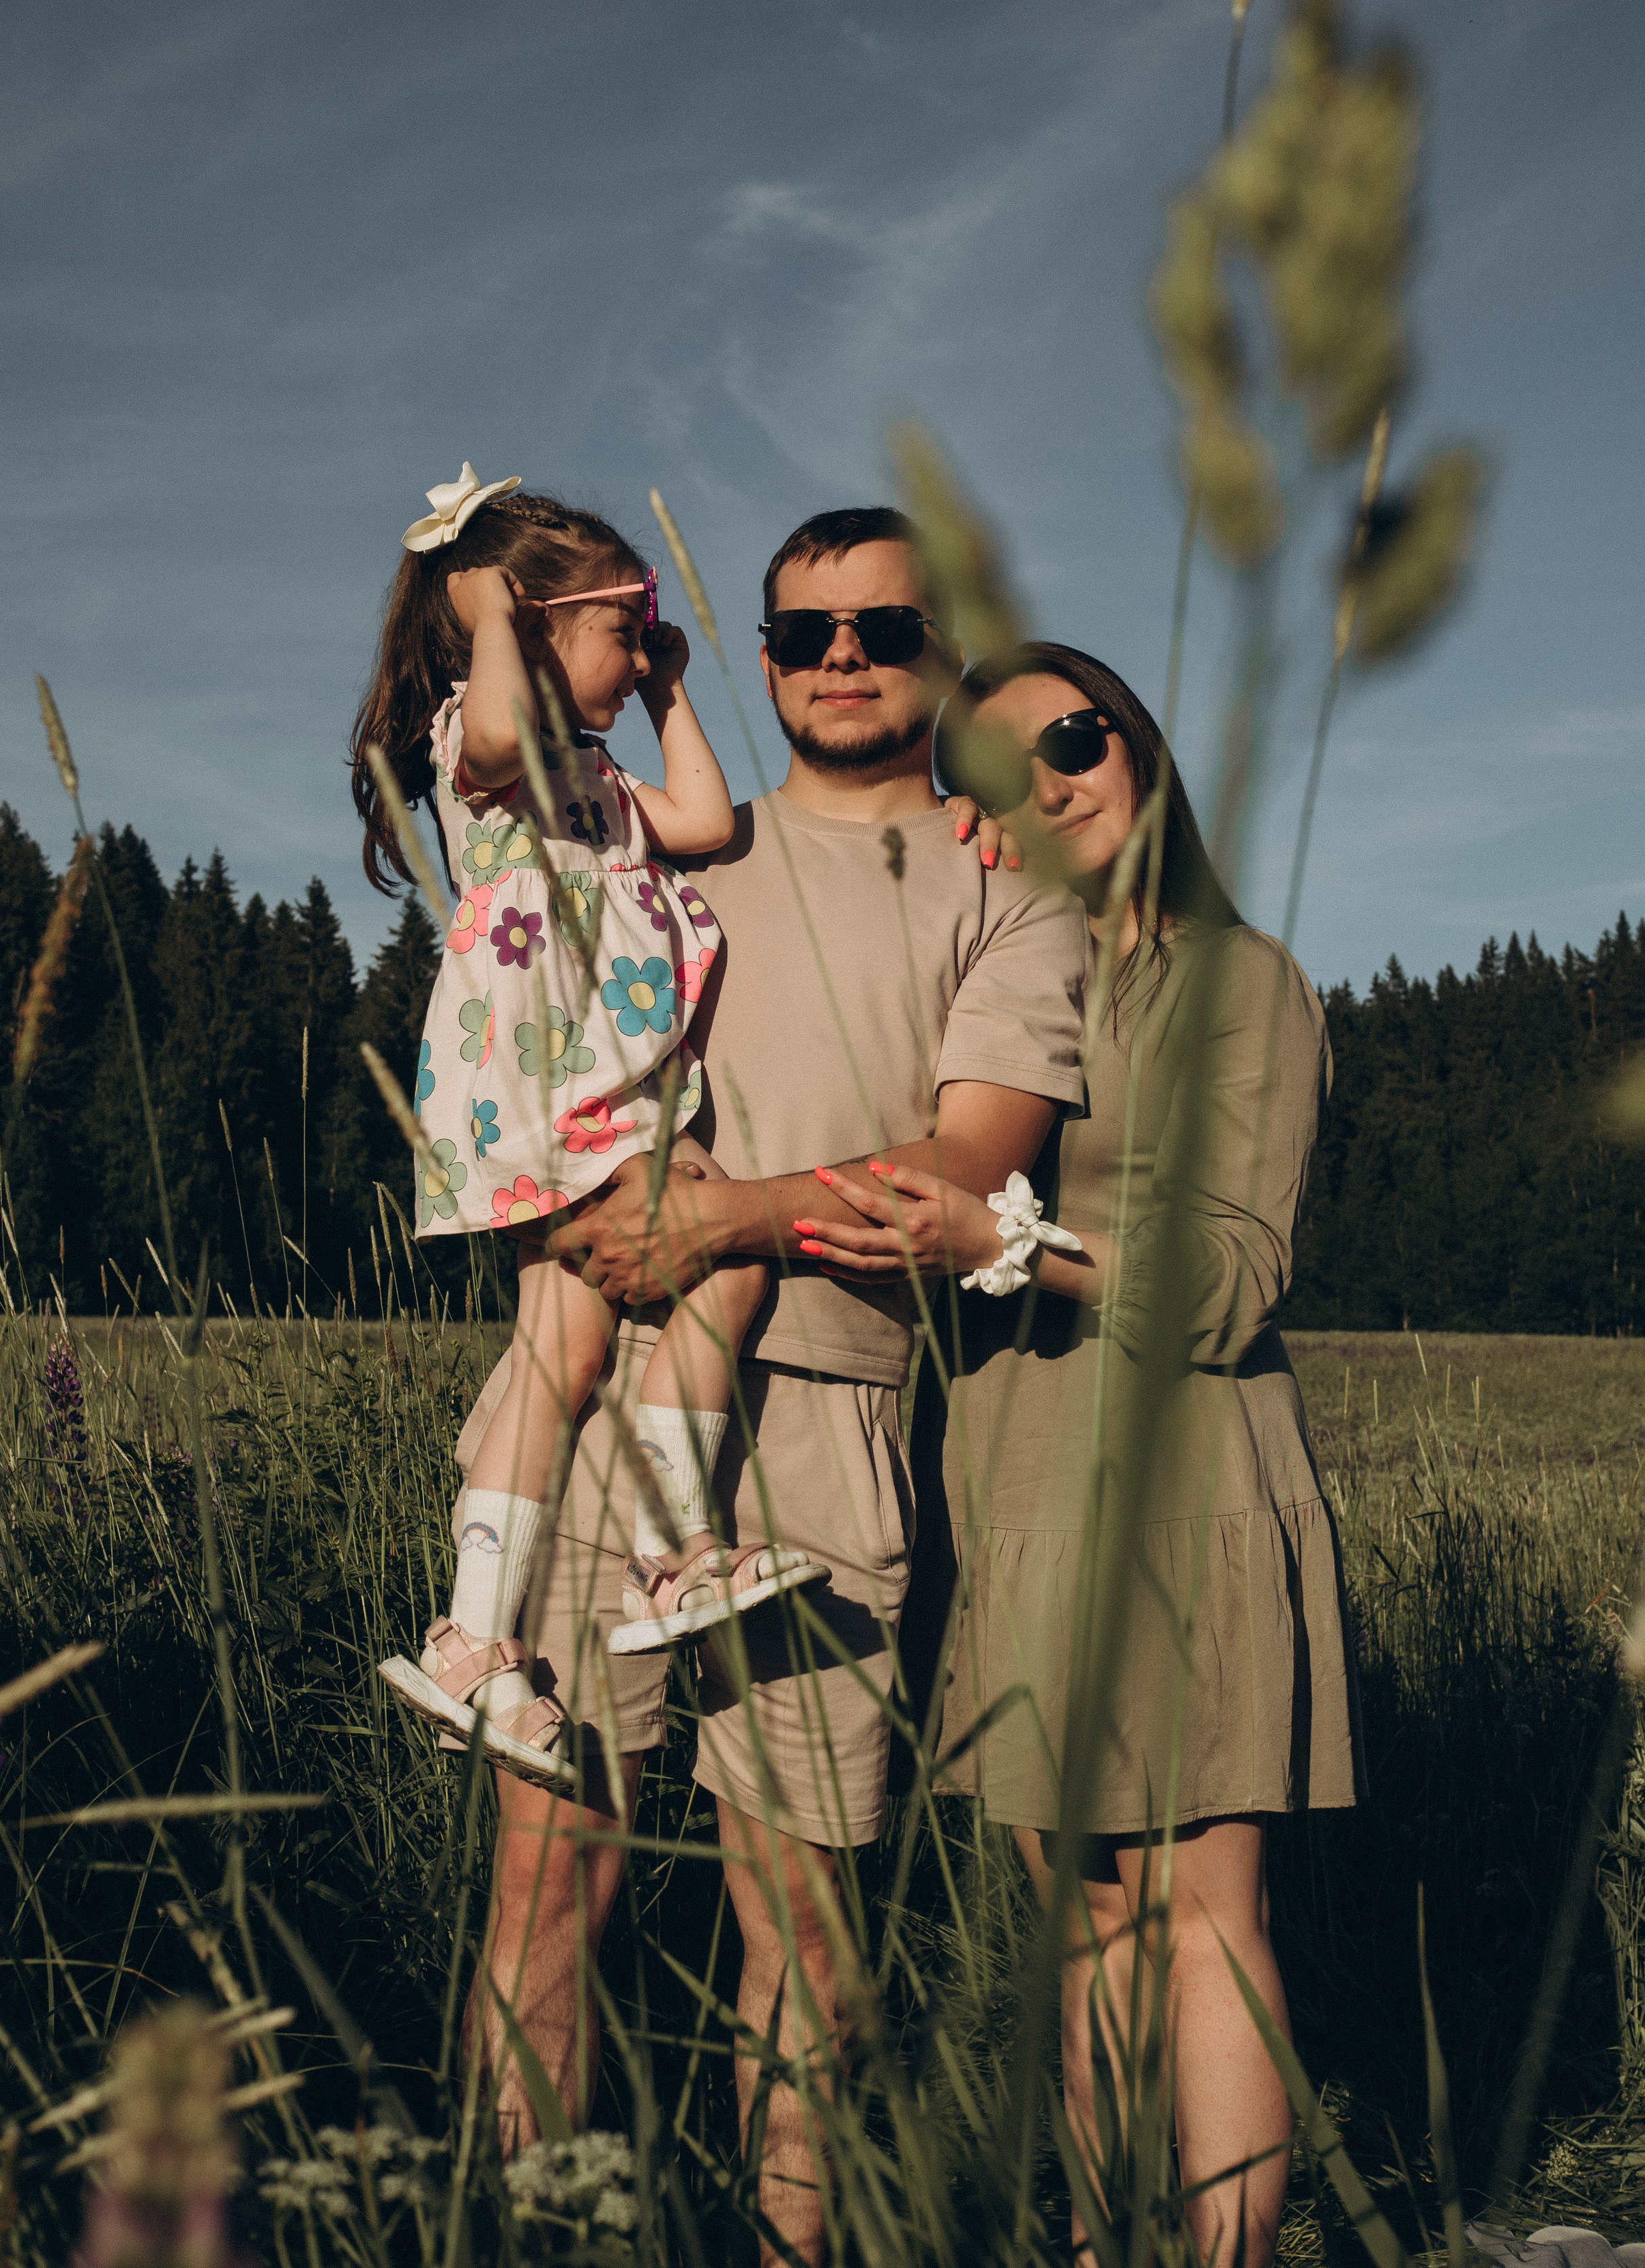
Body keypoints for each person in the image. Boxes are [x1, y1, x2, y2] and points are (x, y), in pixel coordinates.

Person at [454, 509, 1090, 2262]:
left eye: (883, 628)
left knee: (799, 1928)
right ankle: (529, 2239)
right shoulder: (663, 829)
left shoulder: (1007, 896)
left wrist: (727, 1214)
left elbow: (971, 1175)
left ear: (943, 652)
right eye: (802, 632)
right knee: (545, 1884)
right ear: (748, 656)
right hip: (594, 1393)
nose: (839, 658)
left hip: (826, 1418)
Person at [799, 642, 1364, 2268]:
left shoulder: (1235, 981)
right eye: (997, 775)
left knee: (1202, 1920)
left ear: (1137, 745)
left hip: (1184, 1487)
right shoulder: (1000, 987)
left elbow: (1232, 1271)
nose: (1048, 781)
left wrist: (1005, 1239)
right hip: (1016, 1487)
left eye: (1073, 736)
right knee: (1086, 1922)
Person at [349, 467, 826, 1794]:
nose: (641, 647)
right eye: (626, 628)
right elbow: (501, 734)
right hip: (562, 1094)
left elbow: (706, 823)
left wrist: (668, 689)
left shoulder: (602, 777)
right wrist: (495, 622)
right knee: (729, 1263)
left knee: (556, 1356)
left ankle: (471, 1642)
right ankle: (676, 1551)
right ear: (527, 622)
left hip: (579, 1098)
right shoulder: (480, 740)